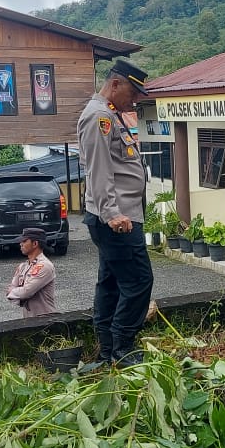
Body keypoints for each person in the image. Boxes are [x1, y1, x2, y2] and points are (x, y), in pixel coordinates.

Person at [78, 59, 152, 367]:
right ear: (116, 84)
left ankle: (108, 349)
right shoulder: (99, 117)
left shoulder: (110, 115)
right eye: (133, 93)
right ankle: (123, 347)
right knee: (139, 281)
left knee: (110, 282)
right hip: (117, 219)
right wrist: (111, 213)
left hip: (120, 214)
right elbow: (100, 170)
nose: (134, 100)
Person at [5, 227, 57, 317]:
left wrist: (15, 293)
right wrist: (16, 293)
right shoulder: (23, 266)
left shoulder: (45, 266)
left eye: (24, 241)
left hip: (45, 319)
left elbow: (26, 292)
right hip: (29, 318)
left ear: (35, 243)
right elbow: (11, 290)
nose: (20, 244)